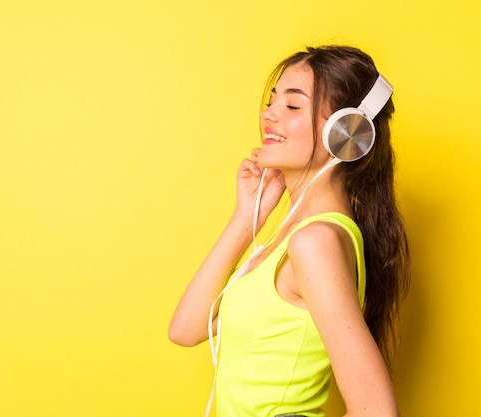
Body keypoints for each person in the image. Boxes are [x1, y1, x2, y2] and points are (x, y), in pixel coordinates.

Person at [168, 45, 411, 417]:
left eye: (293, 106)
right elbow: (185, 330)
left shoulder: (316, 242)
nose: (269, 114)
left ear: (347, 132)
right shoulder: (290, 236)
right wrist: (246, 216)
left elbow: (375, 410)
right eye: (271, 101)